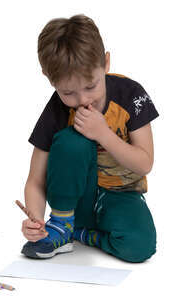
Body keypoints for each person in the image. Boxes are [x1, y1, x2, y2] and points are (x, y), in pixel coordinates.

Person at [21, 14, 159, 263]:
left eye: (91, 86)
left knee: (140, 246)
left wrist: (103, 134)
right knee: (72, 140)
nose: (83, 100)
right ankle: (62, 225)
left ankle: (83, 235)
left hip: (120, 194)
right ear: (48, 77)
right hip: (75, 202)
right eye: (68, 92)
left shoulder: (131, 95)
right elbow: (35, 179)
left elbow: (144, 163)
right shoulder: (57, 109)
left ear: (105, 63)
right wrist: (35, 219)